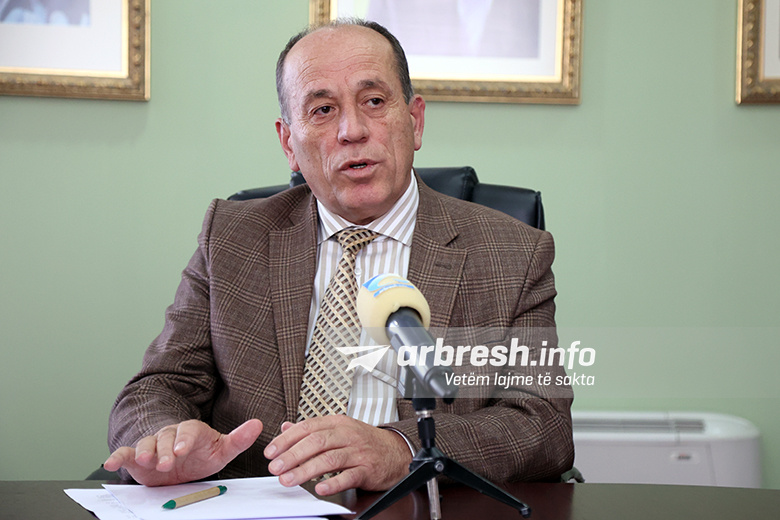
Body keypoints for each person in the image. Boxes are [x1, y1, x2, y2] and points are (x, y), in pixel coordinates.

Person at [104, 18, 573, 496]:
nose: (352, 130)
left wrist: (400, 449)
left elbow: (542, 423)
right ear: (289, 143)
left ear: (414, 121)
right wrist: (166, 442)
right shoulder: (232, 238)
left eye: (374, 101)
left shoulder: (511, 254)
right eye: (323, 110)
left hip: (410, 505)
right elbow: (156, 388)